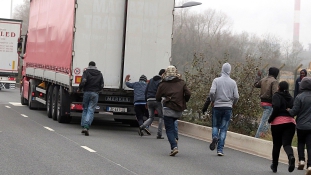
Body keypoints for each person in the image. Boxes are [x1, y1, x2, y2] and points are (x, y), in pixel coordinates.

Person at [156, 65, 191, 156]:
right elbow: (188, 93)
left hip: (168, 108)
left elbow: (157, 97)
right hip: (179, 109)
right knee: (174, 121)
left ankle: (174, 146)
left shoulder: (163, 84)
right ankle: (175, 137)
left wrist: (163, 99)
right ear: (176, 72)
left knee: (169, 129)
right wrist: (184, 100)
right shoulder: (181, 82)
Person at [209, 62, 239, 156]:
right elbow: (237, 96)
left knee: (215, 125)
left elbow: (211, 92)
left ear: (222, 69)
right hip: (228, 107)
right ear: (230, 71)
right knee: (223, 128)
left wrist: (212, 100)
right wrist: (233, 103)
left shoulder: (216, 80)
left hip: (217, 106)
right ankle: (220, 150)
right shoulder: (233, 82)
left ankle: (215, 137)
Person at [267, 81, 295, 173]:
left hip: (278, 123)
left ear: (279, 87)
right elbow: (293, 109)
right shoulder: (291, 98)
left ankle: (274, 166)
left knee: (277, 145)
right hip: (290, 123)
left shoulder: (276, 96)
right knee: (287, 144)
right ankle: (291, 157)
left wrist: (270, 119)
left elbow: (276, 108)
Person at [288, 77, 311, 174]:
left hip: (301, 125)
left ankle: (301, 160)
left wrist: (289, 110)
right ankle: (310, 166)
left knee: (301, 143)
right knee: (310, 146)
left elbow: (294, 112)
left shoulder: (299, 97)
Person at [78, 61, 104, 136]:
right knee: (91, 109)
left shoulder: (86, 72)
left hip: (87, 92)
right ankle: (87, 126)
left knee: (85, 108)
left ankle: (83, 125)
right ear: (95, 66)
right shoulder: (99, 74)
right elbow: (102, 85)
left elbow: (83, 81)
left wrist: (80, 88)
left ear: (89, 65)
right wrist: (98, 90)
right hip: (95, 93)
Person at [139, 69, 166, 139]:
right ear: (163, 74)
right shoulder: (161, 81)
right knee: (161, 117)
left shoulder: (151, 80)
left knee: (151, 117)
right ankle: (159, 134)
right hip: (156, 100)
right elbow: (161, 91)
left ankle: (142, 126)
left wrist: (146, 101)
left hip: (149, 100)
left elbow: (146, 91)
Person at [254, 67, 279, 138]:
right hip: (269, 103)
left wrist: (258, 76)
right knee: (266, 121)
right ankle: (258, 136)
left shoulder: (263, 79)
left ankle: (262, 134)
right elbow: (275, 94)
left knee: (267, 120)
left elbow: (256, 84)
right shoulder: (274, 81)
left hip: (263, 102)